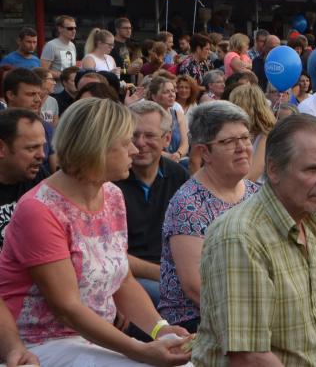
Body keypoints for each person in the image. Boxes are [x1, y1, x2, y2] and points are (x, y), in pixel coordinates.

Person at [0, 98, 192, 365]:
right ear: (96, 147)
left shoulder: (111, 194)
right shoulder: (39, 210)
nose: (135, 150)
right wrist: (140, 350)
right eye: (126, 142)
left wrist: (159, 330)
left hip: (93, 339)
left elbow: (121, 278)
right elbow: (67, 309)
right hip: (42, 344)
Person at [193, 115, 316, 366]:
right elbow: (248, 356)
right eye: (312, 169)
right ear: (274, 170)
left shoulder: (315, 229)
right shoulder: (240, 237)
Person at [159, 101, 260, 333]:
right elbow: (196, 288)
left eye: (245, 138)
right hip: (198, 319)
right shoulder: (189, 204)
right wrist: (252, 321)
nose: (242, 147)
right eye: (228, 141)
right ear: (204, 152)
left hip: (252, 307)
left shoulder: (256, 194)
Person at [116, 100, 190, 306]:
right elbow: (110, 255)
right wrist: (165, 275)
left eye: (149, 136)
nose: (140, 143)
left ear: (167, 139)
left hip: (173, 271)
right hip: (126, 277)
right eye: (133, 135)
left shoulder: (178, 176)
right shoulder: (111, 179)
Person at [0, 109, 48, 250]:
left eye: (43, 146)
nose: (42, 155)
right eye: (32, 148)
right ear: (1, 148)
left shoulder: (40, 178)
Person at [229, 84, 276, 184]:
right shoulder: (243, 132)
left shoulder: (267, 135)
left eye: (234, 104)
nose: (231, 108)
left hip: (257, 190)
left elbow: (252, 176)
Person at [146, 76, 189, 163]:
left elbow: (185, 143)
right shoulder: (149, 117)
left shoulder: (178, 114)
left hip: (179, 159)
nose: (171, 95)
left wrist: (178, 154)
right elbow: (147, 146)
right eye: (166, 92)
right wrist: (169, 157)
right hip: (158, 161)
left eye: (173, 91)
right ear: (154, 97)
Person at [40, 15, 78, 93]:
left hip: (71, 91)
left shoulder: (72, 45)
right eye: (70, 28)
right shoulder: (51, 45)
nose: (74, 31)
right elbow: (43, 71)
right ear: (60, 29)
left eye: (75, 28)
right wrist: (64, 76)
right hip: (56, 91)